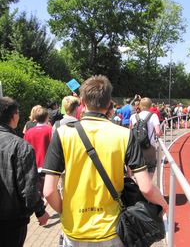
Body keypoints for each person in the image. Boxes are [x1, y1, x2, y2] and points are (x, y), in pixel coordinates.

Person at [43, 75, 168, 247]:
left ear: (82, 101)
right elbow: (146, 187)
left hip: (74, 230)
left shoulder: (63, 134)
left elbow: (49, 191)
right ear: (109, 103)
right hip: (112, 230)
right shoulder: (124, 135)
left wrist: (66, 213)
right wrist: (163, 204)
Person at [0, 97, 49, 247]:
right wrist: (40, 212)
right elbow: (28, 187)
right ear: (14, 116)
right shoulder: (20, 146)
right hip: (11, 220)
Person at [130, 97, 162, 179]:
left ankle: (140, 186)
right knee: (151, 167)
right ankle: (148, 185)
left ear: (140, 106)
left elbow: (130, 131)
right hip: (149, 146)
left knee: (138, 169)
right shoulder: (153, 116)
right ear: (150, 106)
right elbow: (158, 132)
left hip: (136, 148)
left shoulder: (133, 116)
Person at [24, 107, 52, 199]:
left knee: (38, 188)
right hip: (47, 164)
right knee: (48, 189)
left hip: (34, 164)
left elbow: (25, 147)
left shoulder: (29, 132)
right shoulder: (50, 130)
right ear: (47, 117)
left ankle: (40, 205)